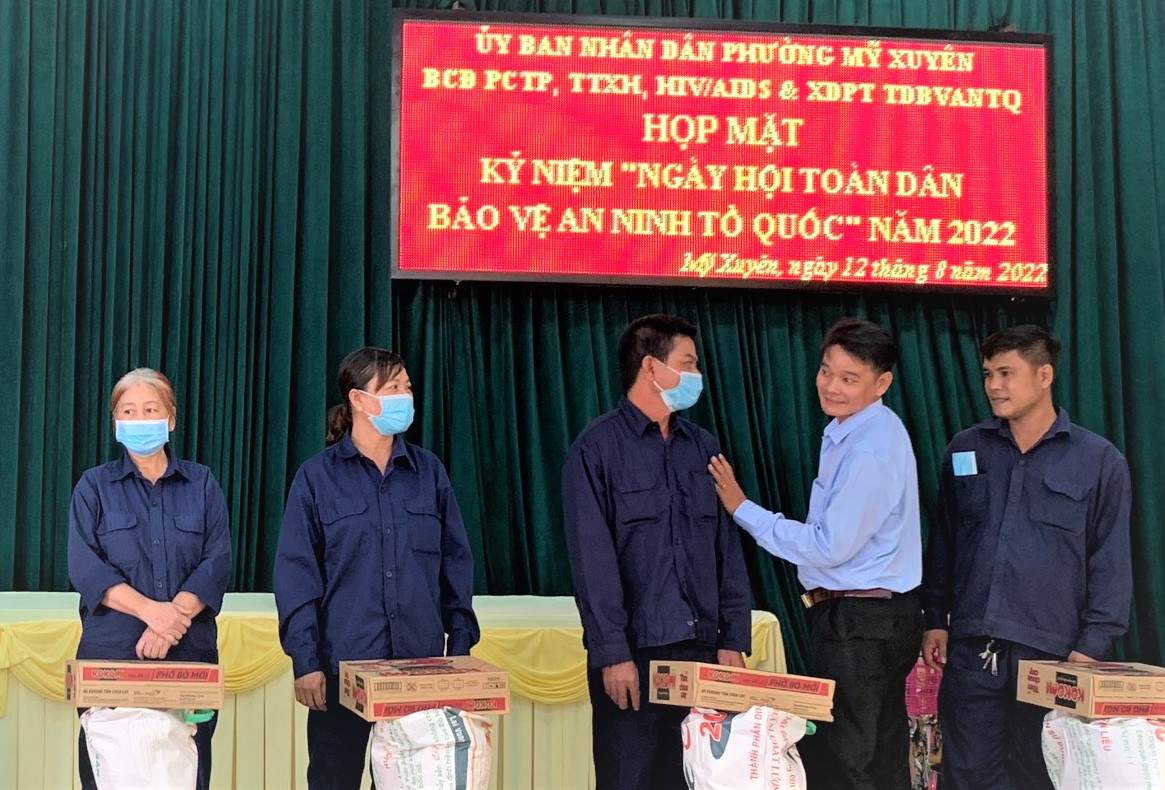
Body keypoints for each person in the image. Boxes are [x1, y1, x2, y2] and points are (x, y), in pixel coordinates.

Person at [708, 317, 923, 789]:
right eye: (826, 371)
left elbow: (829, 545)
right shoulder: (860, 430)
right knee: (880, 755)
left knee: (848, 758)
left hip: (861, 624)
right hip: (875, 618)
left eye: (849, 378)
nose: (831, 386)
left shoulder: (869, 448)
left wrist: (742, 509)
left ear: (882, 383)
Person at [920, 325, 1132, 790]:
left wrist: (1089, 649)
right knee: (967, 776)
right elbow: (945, 541)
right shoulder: (965, 448)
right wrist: (935, 618)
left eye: (1006, 373)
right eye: (987, 374)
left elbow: (1111, 562)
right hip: (974, 653)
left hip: (1055, 659)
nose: (994, 385)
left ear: (1044, 375)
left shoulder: (1099, 461)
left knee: (1043, 778)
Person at [274, 346, 479, 790]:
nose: (405, 396)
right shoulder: (316, 477)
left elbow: (455, 563)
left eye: (407, 387)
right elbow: (296, 575)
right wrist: (305, 661)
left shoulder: (429, 472)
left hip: (420, 671)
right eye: (392, 388)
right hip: (340, 672)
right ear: (358, 399)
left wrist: (460, 646)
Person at [562, 313, 752, 790]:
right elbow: (592, 560)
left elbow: (726, 548)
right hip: (635, 657)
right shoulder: (596, 448)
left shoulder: (702, 446)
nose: (697, 375)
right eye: (688, 364)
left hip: (702, 654)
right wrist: (613, 654)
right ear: (651, 367)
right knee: (629, 778)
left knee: (695, 779)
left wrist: (733, 638)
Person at [67, 368, 232, 790]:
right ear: (115, 422)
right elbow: (85, 567)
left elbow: (216, 561)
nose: (139, 420)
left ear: (171, 419)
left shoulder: (202, 482)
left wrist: (171, 620)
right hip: (111, 662)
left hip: (188, 660)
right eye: (128, 411)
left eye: (150, 410)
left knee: (187, 775)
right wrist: (152, 614)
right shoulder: (93, 486)